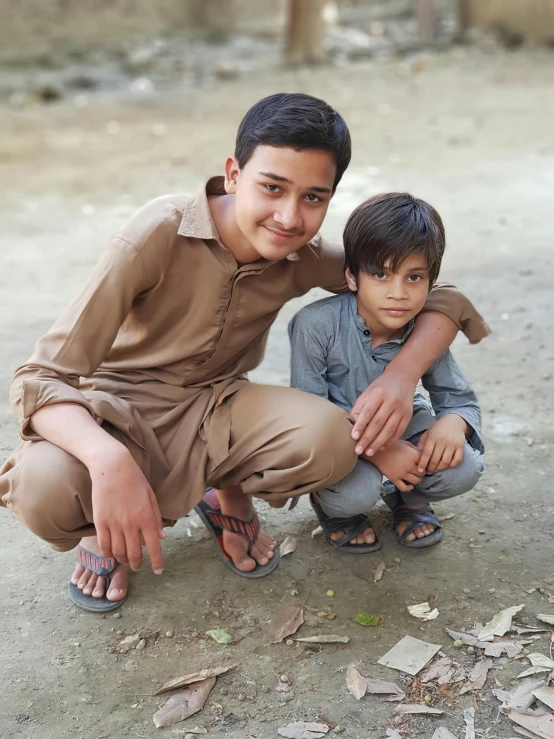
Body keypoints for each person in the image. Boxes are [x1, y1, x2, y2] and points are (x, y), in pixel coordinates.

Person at [0, 94, 489, 612]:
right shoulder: (158, 233)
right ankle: (101, 531)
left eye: (313, 198)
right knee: (43, 488)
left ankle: (227, 494)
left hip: (220, 407)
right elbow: (39, 376)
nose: (288, 216)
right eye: (272, 187)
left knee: (330, 438)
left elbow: (440, 297)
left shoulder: (301, 252)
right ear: (233, 173)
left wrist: (402, 375)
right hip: (117, 408)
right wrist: (107, 460)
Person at [289, 193, 485, 553]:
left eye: (414, 277)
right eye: (380, 274)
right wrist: (379, 451)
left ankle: (408, 501)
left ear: (431, 282)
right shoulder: (315, 325)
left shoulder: (423, 330)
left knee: (463, 466)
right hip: (339, 442)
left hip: (407, 426)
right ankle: (333, 511)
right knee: (354, 494)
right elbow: (308, 414)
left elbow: (459, 400)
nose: (398, 294)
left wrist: (453, 424)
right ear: (352, 276)